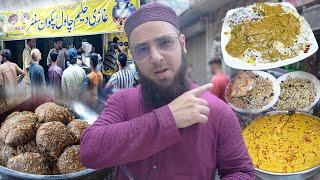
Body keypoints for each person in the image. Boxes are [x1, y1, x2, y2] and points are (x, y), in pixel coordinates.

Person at [80, 3, 255, 180]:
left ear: (182, 44)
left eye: (165, 43)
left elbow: (241, 172)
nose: (156, 57)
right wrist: (167, 119)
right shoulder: (122, 101)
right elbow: (90, 151)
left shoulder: (219, 112)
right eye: (142, 49)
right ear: (134, 56)